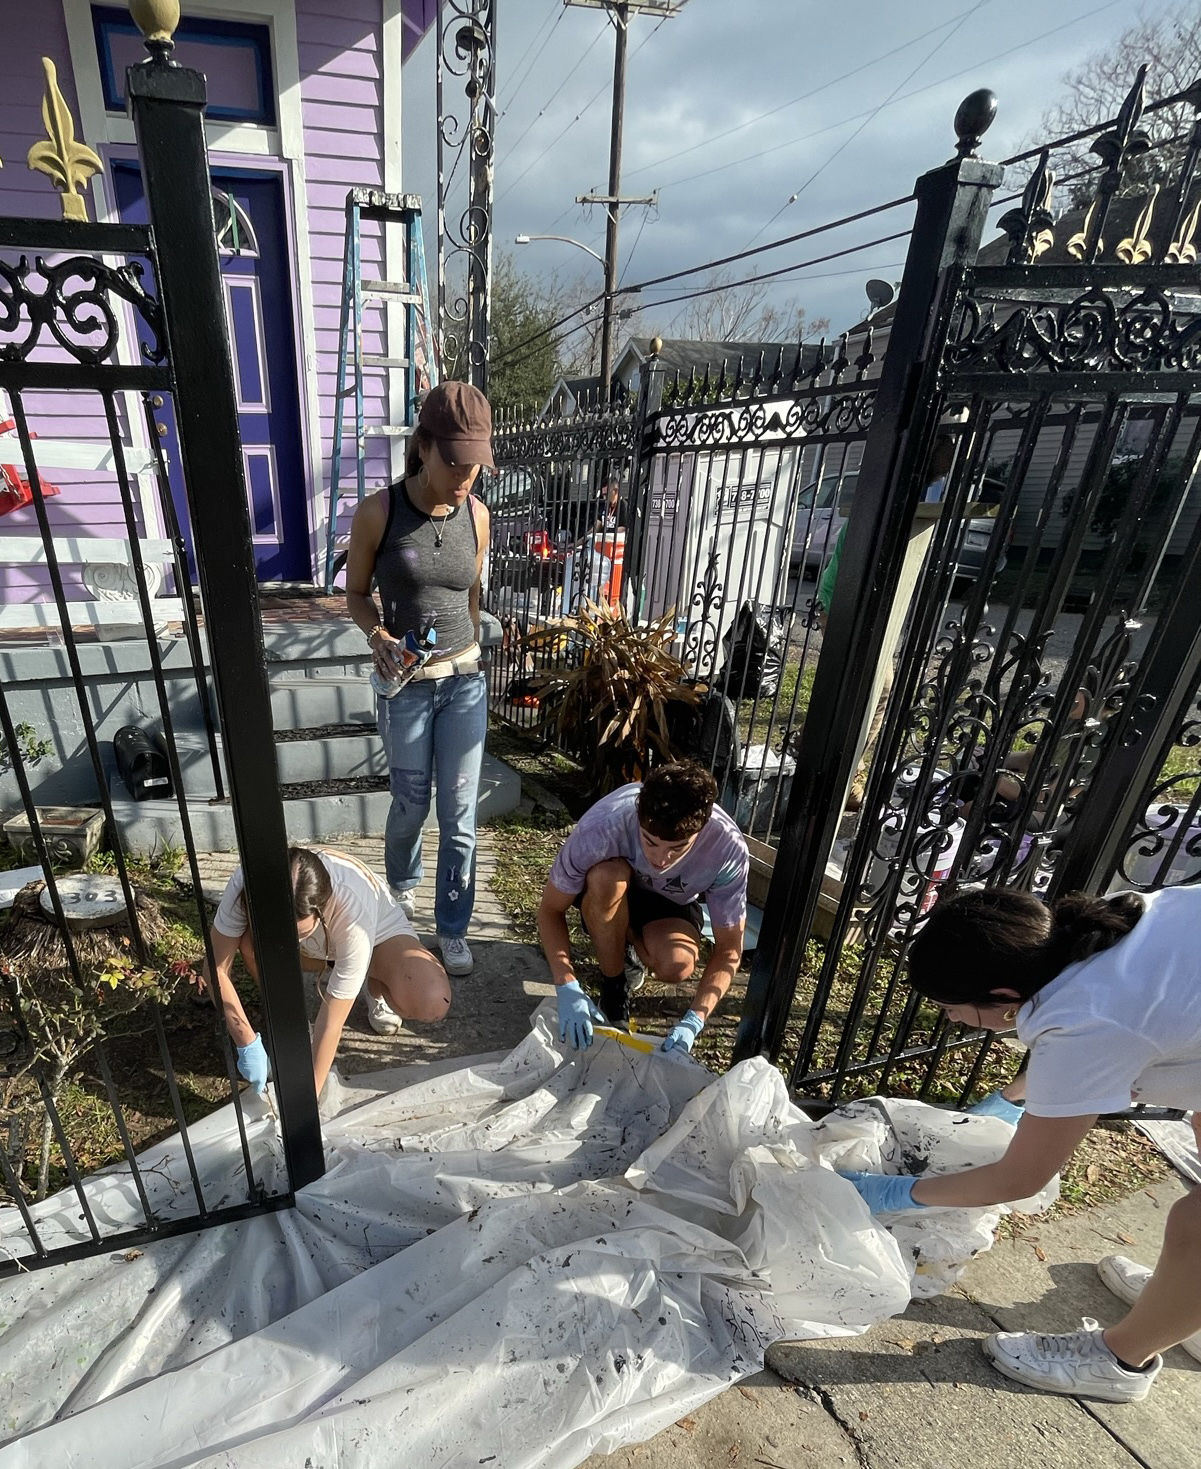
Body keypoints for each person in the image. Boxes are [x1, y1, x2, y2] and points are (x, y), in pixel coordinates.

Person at [841, 884, 1201, 1403]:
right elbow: (1092, 1039)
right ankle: (1184, 1298)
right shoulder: (1081, 937)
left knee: (1198, 1223)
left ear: (1004, 999)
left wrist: (893, 1193)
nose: (949, 1018)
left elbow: (1019, 1178)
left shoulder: (1090, 1019)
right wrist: (1010, 1099)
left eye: (950, 1007)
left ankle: (1119, 1360)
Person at [345, 381, 493, 977]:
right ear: (424, 447)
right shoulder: (379, 511)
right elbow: (356, 595)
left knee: (460, 815)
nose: (465, 477)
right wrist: (379, 638)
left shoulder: (478, 515)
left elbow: (471, 592)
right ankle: (400, 893)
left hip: (464, 685)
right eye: (454, 461)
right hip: (406, 688)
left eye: (476, 464)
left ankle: (453, 924)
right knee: (410, 804)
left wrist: (472, 645)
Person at [200, 846, 451, 1097]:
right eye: (274, 930)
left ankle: (374, 985)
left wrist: (307, 1099)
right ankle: (291, 1016)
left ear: (321, 911)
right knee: (248, 944)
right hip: (315, 950)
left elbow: (332, 1022)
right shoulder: (246, 883)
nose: (284, 940)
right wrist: (246, 1041)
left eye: (296, 932)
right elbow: (215, 970)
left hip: (372, 938)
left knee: (430, 999)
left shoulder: (352, 909)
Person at [537, 762, 749, 1054]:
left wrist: (694, 1019)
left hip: (670, 902)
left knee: (678, 965)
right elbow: (550, 910)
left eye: (677, 848)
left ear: (702, 829)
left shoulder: (728, 848)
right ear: (638, 813)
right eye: (649, 842)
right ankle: (613, 988)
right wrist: (566, 984)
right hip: (609, 887)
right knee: (606, 879)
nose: (660, 859)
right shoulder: (602, 826)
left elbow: (729, 948)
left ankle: (627, 941)